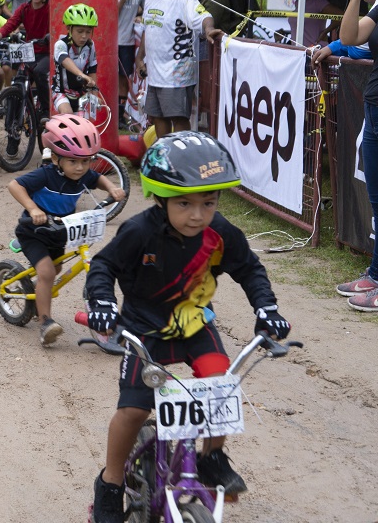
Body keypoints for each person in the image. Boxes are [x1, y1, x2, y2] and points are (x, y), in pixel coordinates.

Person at [87, 132, 289, 522]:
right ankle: (110, 484)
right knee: (133, 409)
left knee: (220, 388)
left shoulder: (220, 233)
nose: (197, 215)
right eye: (185, 203)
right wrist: (102, 302)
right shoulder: (138, 231)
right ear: (160, 198)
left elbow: (249, 269)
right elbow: (103, 266)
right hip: (143, 331)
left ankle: (211, 457)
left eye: (208, 203)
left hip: (196, 325)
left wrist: (267, 308)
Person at [8, 115, 126, 346]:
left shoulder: (82, 175)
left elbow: (98, 178)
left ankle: (38, 290)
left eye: (86, 161)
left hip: (60, 231)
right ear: (55, 158)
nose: (80, 167)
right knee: (47, 273)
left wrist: (112, 187)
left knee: (56, 266)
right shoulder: (45, 174)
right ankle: (45, 324)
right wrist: (32, 209)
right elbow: (15, 185)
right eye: (73, 161)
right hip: (34, 231)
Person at [135, 0, 221, 137]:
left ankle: (182, 157)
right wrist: (140, 56)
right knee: (157, 117)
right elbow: (148, 28)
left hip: (177, 75)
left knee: (178, 118)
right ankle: (165, 159)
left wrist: (208, 30)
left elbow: (204, 16)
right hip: (155, 73)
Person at [335, 0, 378, 311]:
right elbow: (349, 37)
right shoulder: (375, 9)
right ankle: (376, 274)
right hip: (374, 106)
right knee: (377, 198)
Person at [0, 0, 52, 146]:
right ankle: (13, 131)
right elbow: (10, 24)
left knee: (41, 73)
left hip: (45, 53)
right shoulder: (24, 9)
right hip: (28, 52)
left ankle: (45, 109)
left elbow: (58, 24)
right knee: (17, 85)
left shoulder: (51, 7)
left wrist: (51, 36)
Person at [52, 3, 98, 115]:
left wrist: (94, 96)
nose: (84, 36)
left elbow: (92, 70)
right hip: (61, 92)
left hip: (81, 93)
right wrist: (81, 74)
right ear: (69, 28)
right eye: (80, 31)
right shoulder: (61, 44)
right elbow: (65, 59)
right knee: (68, 115)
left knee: (83, 127)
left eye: (88, 32)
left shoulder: (90, 46)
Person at [116, 0, 145, 127]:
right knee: (110, 77)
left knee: (124, 78)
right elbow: (110, 14)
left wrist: (141, 16)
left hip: (127, 42)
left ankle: (120, 116)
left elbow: (147, 11)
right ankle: (111, 112)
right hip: (111, 42)